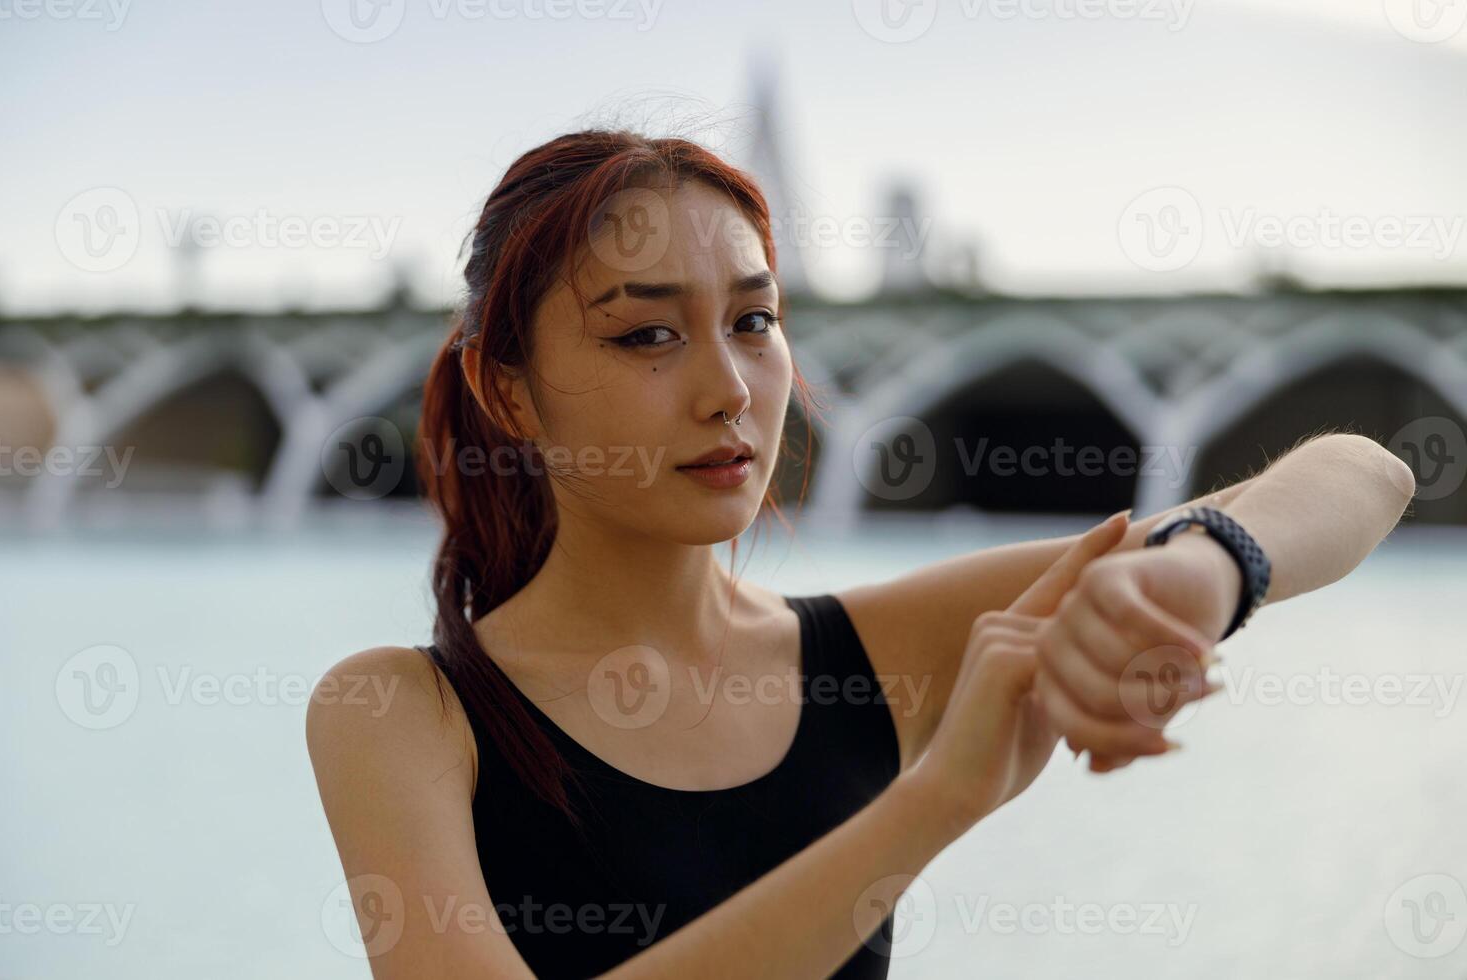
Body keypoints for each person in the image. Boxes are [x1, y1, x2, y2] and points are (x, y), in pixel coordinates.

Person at [305, 129, 1417, 979]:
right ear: (508, 389)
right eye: (647, 332)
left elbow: (1365, 473)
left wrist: (1197, 565)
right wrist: (937, 797)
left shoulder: (869, 653)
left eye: (753, 320)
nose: (729, 389)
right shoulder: (406, 711)